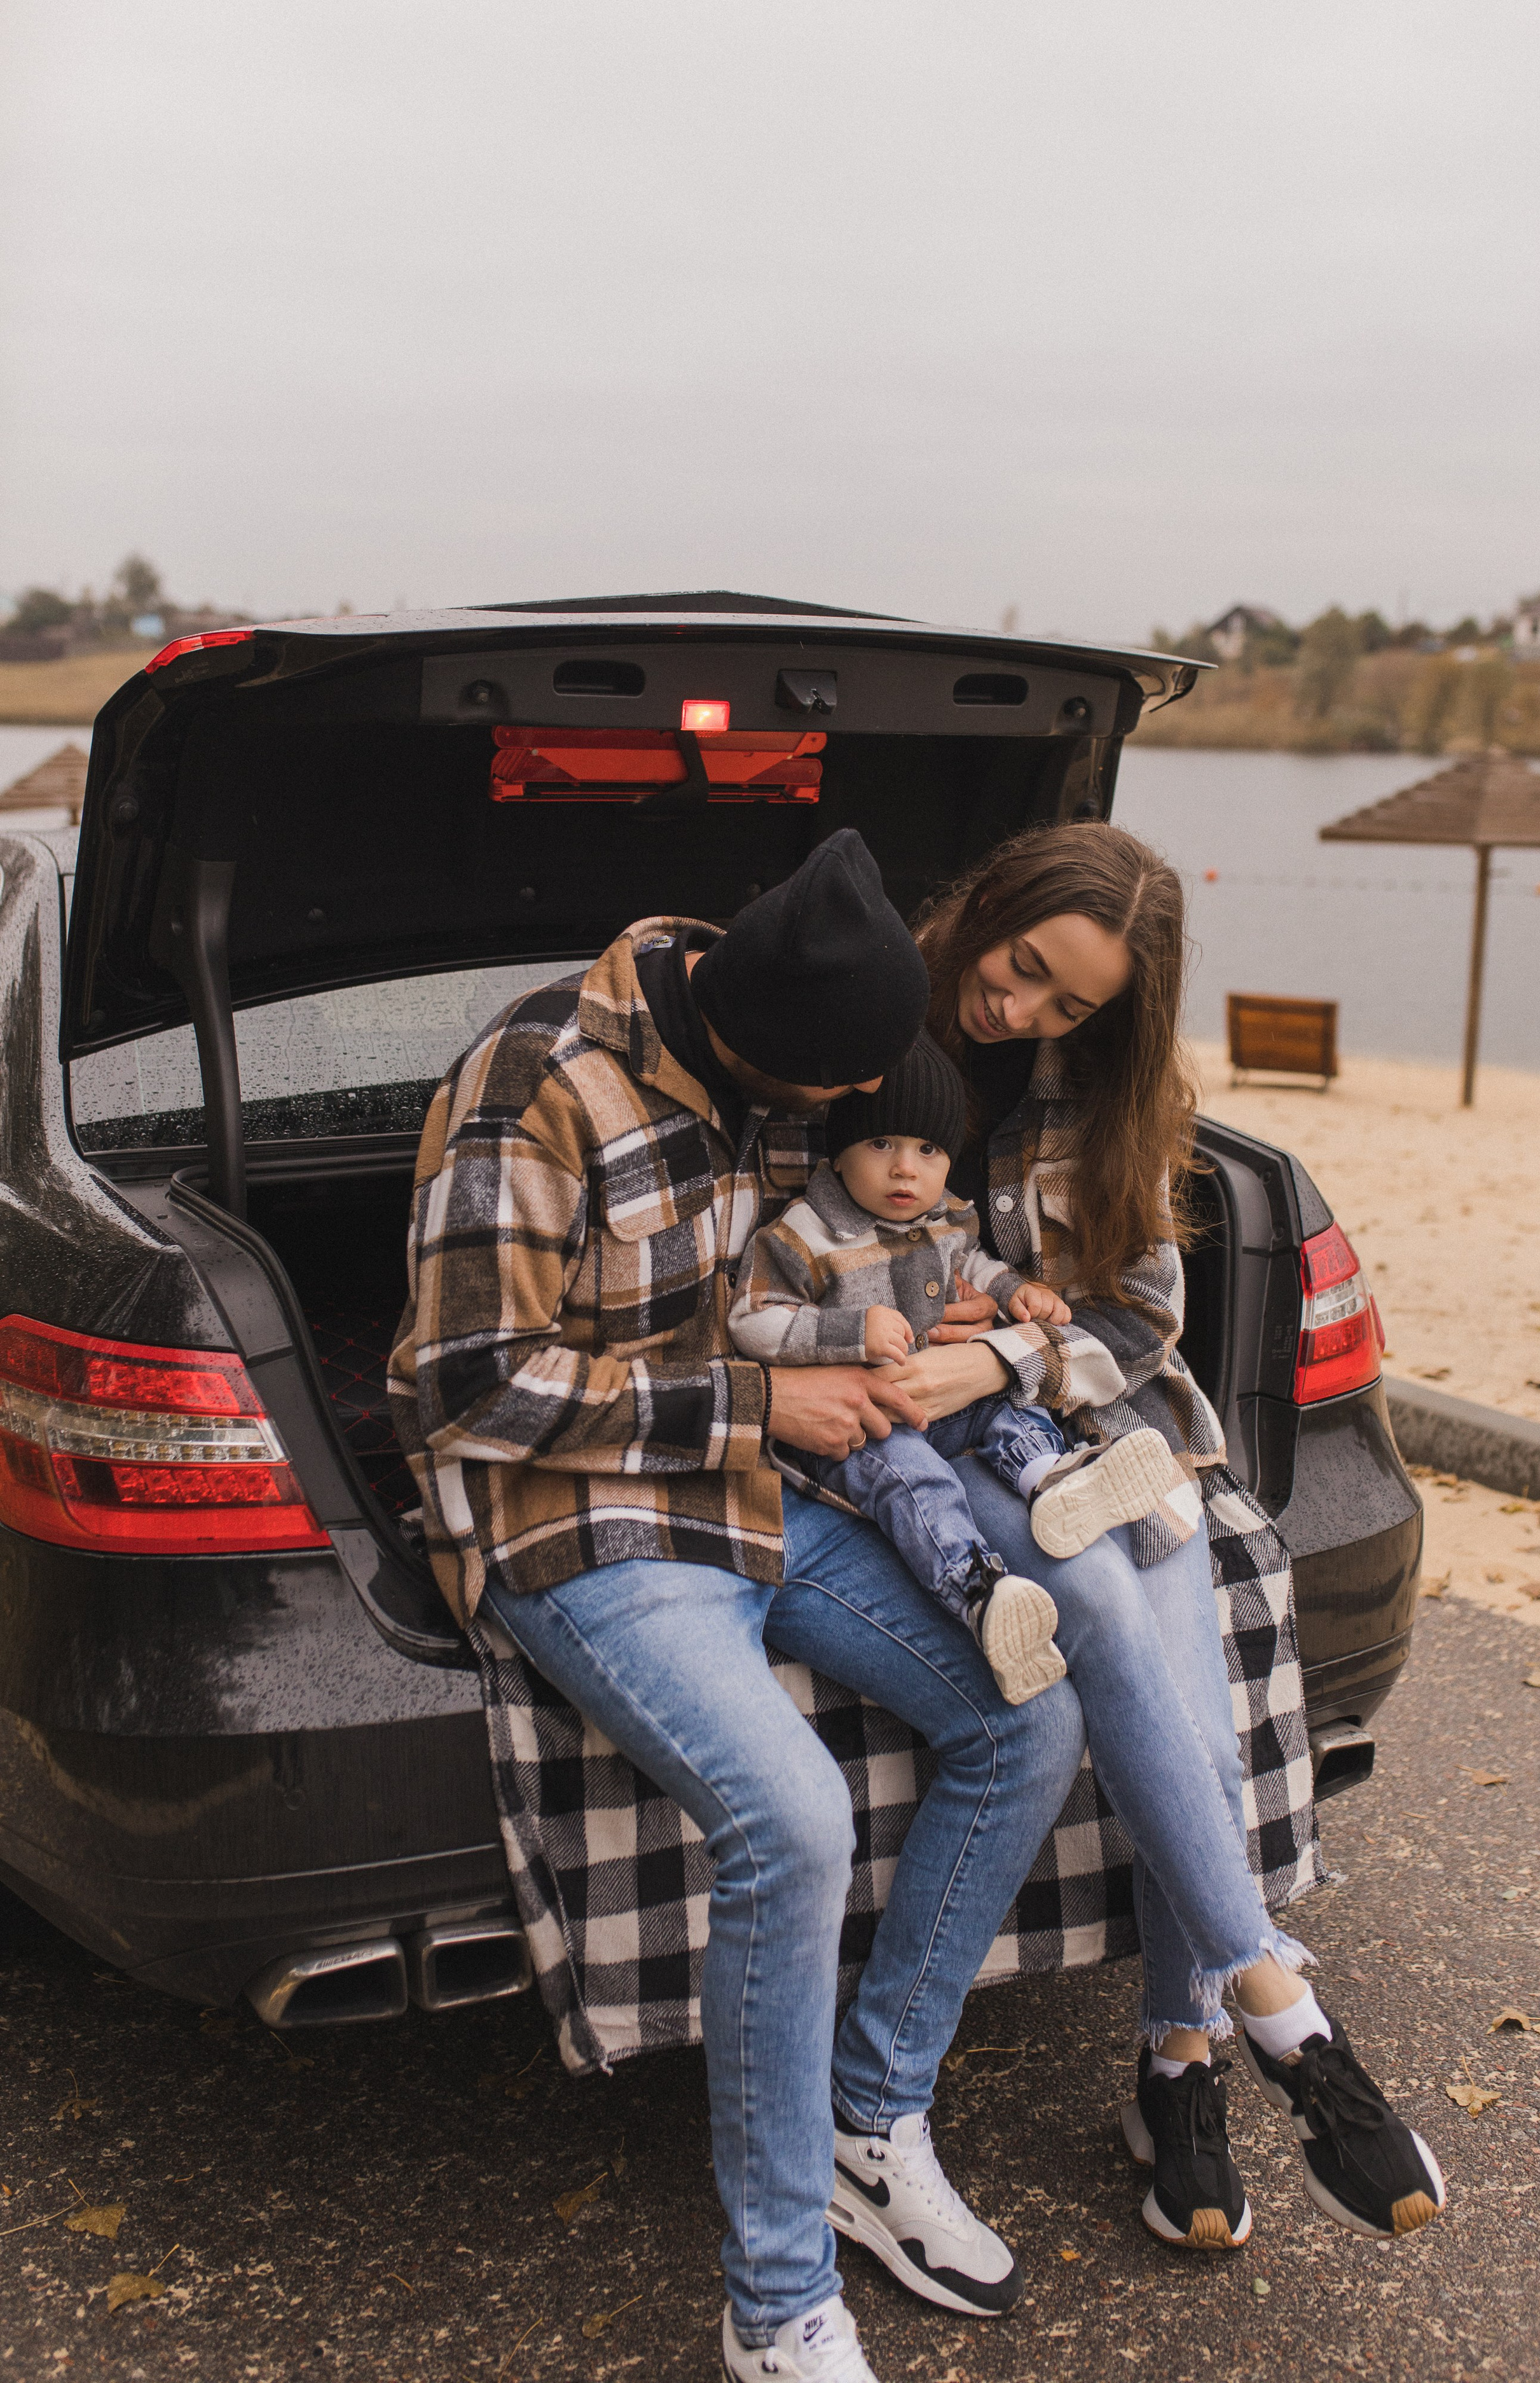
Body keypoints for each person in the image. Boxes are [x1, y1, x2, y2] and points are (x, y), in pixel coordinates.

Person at [391, 830, 1090, 2383]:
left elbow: (804, 1265)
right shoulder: (536, 1085)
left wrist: (938, 1316)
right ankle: (776, 2304)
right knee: (794, 1818)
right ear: (755, 1040)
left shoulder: (780, 1031)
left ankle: (868, 2112)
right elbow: (463, 1384)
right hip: (578, 1519)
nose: (847, 1124)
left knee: (1025, 1715)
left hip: (765, 1498)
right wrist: (762, 1399)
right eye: (830, 1100)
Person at [876, 817, 1446, 2253]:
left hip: (1091, 1414)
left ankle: (1176, 2059)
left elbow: (1140, 1312)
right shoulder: (863, 1030)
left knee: (1188, 1691)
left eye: (1069, 1003)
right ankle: (1272, 2014)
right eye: (1016, 972)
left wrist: (1003, 1359)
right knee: (1111, 1611)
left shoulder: (1103, 1087)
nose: (1023, 1014)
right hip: (937, 1439)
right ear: (985, 907)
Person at [729, 1028, 1188, 1703]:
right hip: (868, 1426)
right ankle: (981, 1591)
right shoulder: (804, 1233)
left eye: (928, 1149)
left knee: (1012, 1407)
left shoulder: (947, 1220)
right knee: (912, 1480)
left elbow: (974, 1265)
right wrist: (847, 1332)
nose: (904, 1169)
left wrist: (1016, 1293)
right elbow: (751, 1318)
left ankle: (1055, 1481)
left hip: (948, 1401)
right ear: (842, 1149)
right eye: (880, 1144)